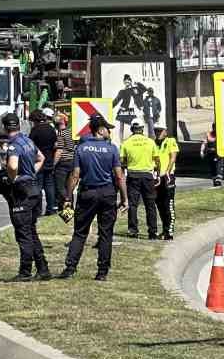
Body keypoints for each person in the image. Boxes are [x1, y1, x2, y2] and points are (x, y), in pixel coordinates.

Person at [60, 115, 126, 280]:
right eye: (108, 129)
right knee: (106, 234)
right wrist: (125, 198)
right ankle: (102, 272)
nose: (110, 132)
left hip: (87, 193)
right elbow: (119, 176)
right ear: (101, 130)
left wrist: (68, 197)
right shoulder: (112, 149)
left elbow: (75, 176)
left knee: (80, 232)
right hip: (107, 193)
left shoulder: (81, 148)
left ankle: (70, 267)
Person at [2, 113, 51, 281]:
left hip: (21, 192)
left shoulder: (14, 145)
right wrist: (31, 173)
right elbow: (41, 158)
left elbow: (13, 165)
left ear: (5, 127)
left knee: (23, 233)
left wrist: (12, 178)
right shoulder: (28, 141)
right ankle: (43, 269)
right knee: (31, 231)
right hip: (34, 189)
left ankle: (25, 271)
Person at [119, 123, 161, 239]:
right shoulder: (150, 142)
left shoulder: (126, 143)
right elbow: (157, 160)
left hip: (133, 176)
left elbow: (122, 162)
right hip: (148, 176)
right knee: (150, 204)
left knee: (133, 204)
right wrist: (157, 175)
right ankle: (153, 232)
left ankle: (133, 230)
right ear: (142, 129)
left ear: (132, 129)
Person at [29, 109, 61, 213]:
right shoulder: (51, 129)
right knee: (49, 186)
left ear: (35, 120)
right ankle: (51, 208)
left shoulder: (35, 130)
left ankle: (37, 210)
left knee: (37, 186)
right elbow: (55, 145)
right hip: (49, 161)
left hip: (38, 161)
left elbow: (30, 145)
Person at [156, 131, 179, 240]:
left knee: (168, 204)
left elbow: (173, 157)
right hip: (157, 177)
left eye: (160, 131)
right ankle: (164, 230)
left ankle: (169, 232)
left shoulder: (171, 141)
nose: (158, 133)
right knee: (159, 204)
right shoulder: (154, 143)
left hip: (168, 176)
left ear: (165, 132)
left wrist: (167, 172)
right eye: (156, 131)